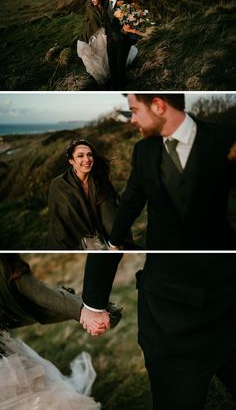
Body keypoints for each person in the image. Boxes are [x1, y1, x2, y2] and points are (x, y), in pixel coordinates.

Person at [80, 93, 236, 410]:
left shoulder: (224, 139)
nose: (132, 119)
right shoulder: (144, 151)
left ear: (159, 105)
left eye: (134, 111)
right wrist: (94, 300)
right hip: (169, 320)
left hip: (230, 303)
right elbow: (127, 210)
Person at [0, 253, 121, 410]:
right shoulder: (7, 266)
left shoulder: (6, 266)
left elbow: (41, 296)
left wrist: (86, 310)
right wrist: (85, 311)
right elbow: (40, 295)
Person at [48, 139, 120, 250]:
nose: (87, 159)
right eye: (80, 156)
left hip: (103, 236)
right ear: (71, 161)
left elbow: (109, 215)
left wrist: (115, 242)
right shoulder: (58, 185)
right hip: (76, 241)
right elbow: (61, 223)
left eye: (90, 155)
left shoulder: (100, 180)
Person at [100, 0, 137, 90]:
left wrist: (130, 40)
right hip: (110, 40)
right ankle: (114, 86)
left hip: (122, 41)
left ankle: (121, 87)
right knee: (112, 64)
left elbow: (134, 22)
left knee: (120, 65)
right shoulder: (105, 3)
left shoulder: (126, 2)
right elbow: (107, 21)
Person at [77, 0, 110, 85]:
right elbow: (91, 20)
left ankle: (110, 71)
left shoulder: (105, 5)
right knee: (97, 52)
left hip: (104, 30)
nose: (93, 0)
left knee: (105, 52)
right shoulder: (89, 7)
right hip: (93, 31)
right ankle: (101, 74)